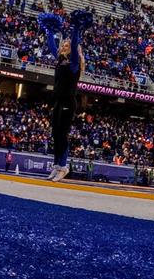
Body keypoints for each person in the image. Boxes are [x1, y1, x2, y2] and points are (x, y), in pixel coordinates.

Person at [44, 16, 85, 182]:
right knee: (55, 134)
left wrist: (76, 30)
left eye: (66, 46)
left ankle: (63, 166)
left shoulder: (74, 63)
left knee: (62, 135)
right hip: (59, 100)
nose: (63, 47)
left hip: (69, 102)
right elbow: (52, 46)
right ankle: (56, 166)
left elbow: (74, 46)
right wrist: (49, 30)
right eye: (64, 45)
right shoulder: (60, 60)